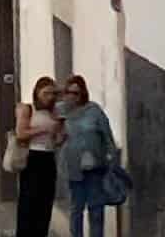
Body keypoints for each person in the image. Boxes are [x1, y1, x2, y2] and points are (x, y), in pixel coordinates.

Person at [57, 76, 117, 237]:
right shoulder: (61, 110)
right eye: (68, 92)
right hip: (73, 167)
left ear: (83, 93)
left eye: (76, 93)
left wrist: (112, 159)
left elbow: (107, 135)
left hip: (95, 168)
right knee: (76, 209)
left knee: (96, 208)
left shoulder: (94, 111)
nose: (71, 96)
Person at [14, 76, 63, 236]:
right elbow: (21, 134)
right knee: (29, 204)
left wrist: (60, 134)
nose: (49, 97)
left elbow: (56, 140)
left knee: (45, 204)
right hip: (32, 158)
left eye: (52, 94)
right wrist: (44, 130)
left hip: (48, 158)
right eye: (45, 93)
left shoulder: (53, 112)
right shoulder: (27, 109)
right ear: (37, 93)